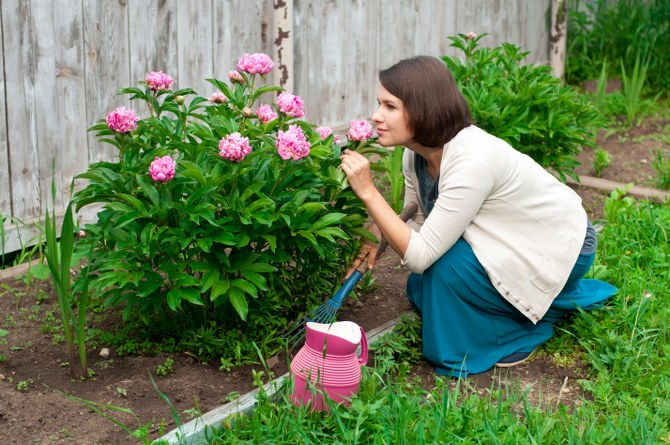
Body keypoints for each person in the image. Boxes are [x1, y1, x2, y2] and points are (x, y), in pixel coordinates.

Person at [339, 56, 617, 377]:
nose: (376, 117)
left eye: (390, 106)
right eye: (378, 104)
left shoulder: (472, 159)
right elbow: (417, 214)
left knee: (442, 269)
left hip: (561, 245)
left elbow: (419, 255)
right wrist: (379, 234)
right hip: (511, 239)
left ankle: (522, 329)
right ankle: (529, 304)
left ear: (422, 108)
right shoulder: (415, 155)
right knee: (423, 287)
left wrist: (368, 192)